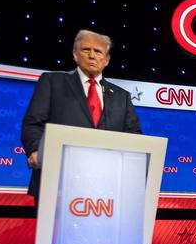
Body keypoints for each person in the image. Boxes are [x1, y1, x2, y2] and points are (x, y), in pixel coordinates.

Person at [21, 29, 142, 199]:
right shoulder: (52, 81)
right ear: (75, 54)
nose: (92, 56)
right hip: (57, 182)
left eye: (98, 51)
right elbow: (33, 122)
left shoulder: (122, 97)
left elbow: (133, 135)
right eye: (86, 50)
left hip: (106, 186)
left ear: (106, 60)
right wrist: (35, 150)